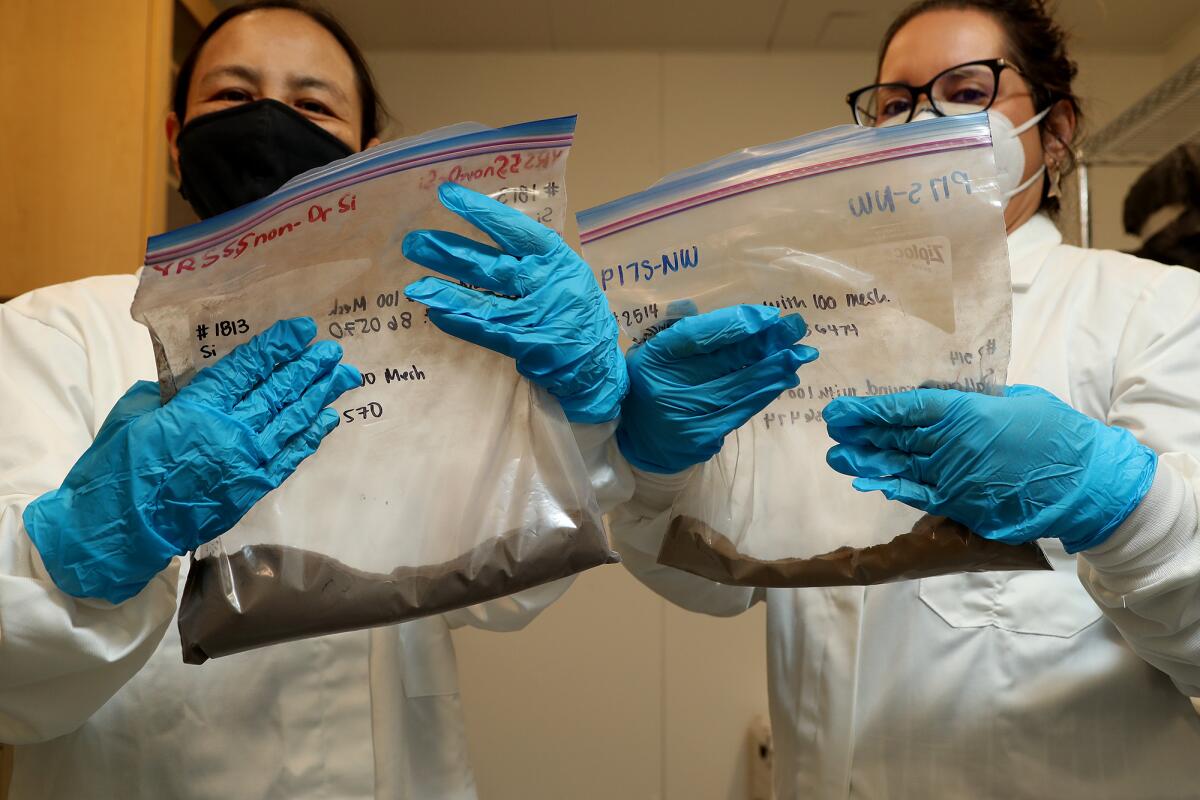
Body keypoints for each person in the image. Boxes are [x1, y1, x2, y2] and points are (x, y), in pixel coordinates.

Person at [0, 2, 624, 797]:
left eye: (311, 103)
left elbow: (507, 589)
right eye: (231, 96)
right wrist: (82, 553)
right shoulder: (54, 329)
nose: (267, 121)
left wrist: (584, 425)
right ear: (173, 134)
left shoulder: (430, 339)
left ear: (366, 154)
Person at [606, 1, 1200, 797]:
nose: (923, 123)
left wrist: (1119, 506)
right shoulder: (816, 330)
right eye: (894, 104)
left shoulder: (1155, 309)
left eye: (965, 91)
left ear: (1055, 133)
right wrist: (655, 471)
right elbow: (712, 582)